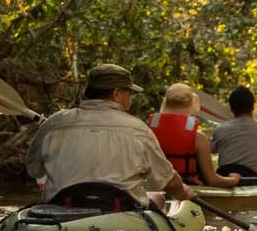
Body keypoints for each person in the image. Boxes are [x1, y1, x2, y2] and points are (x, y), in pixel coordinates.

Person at [25, 63, 194, 210]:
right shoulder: (138, 130)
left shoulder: (55, 122)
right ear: (117, 94)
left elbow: (34, 169)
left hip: (62, 207)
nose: (131, 101)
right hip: (117, 211)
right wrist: (183, 191)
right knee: (158, 198)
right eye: (129, 94)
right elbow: (167, 182)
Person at [148, 83, 241, 188]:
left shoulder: (147, 131)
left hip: (155, 189)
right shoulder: (198, 138)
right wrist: (234, 179)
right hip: (188, 193)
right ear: (193, 104)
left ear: (165, 103)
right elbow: (213, 181)